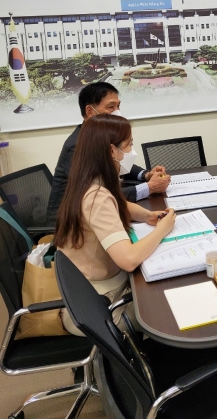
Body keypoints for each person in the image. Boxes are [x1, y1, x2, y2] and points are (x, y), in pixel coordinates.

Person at [54, 114, 176, 335]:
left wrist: (147, 216)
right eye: (129, 145)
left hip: (87, 293)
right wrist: (162, 229)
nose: (131, 152)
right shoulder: (96, 198)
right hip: (101, 306)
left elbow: (119, 203)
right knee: (169, 309)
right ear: (112, 151)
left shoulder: (87, 181)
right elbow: (128, 259)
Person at [47, 82, 170, 224]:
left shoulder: (98, 136)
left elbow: (117, 162)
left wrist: (146, 175)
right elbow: (98, 195)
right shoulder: (77, 146)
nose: (117, 112)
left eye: (118, 106)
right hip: (67, 223)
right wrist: (149, 188)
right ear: (90, 111)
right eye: (111, 107)